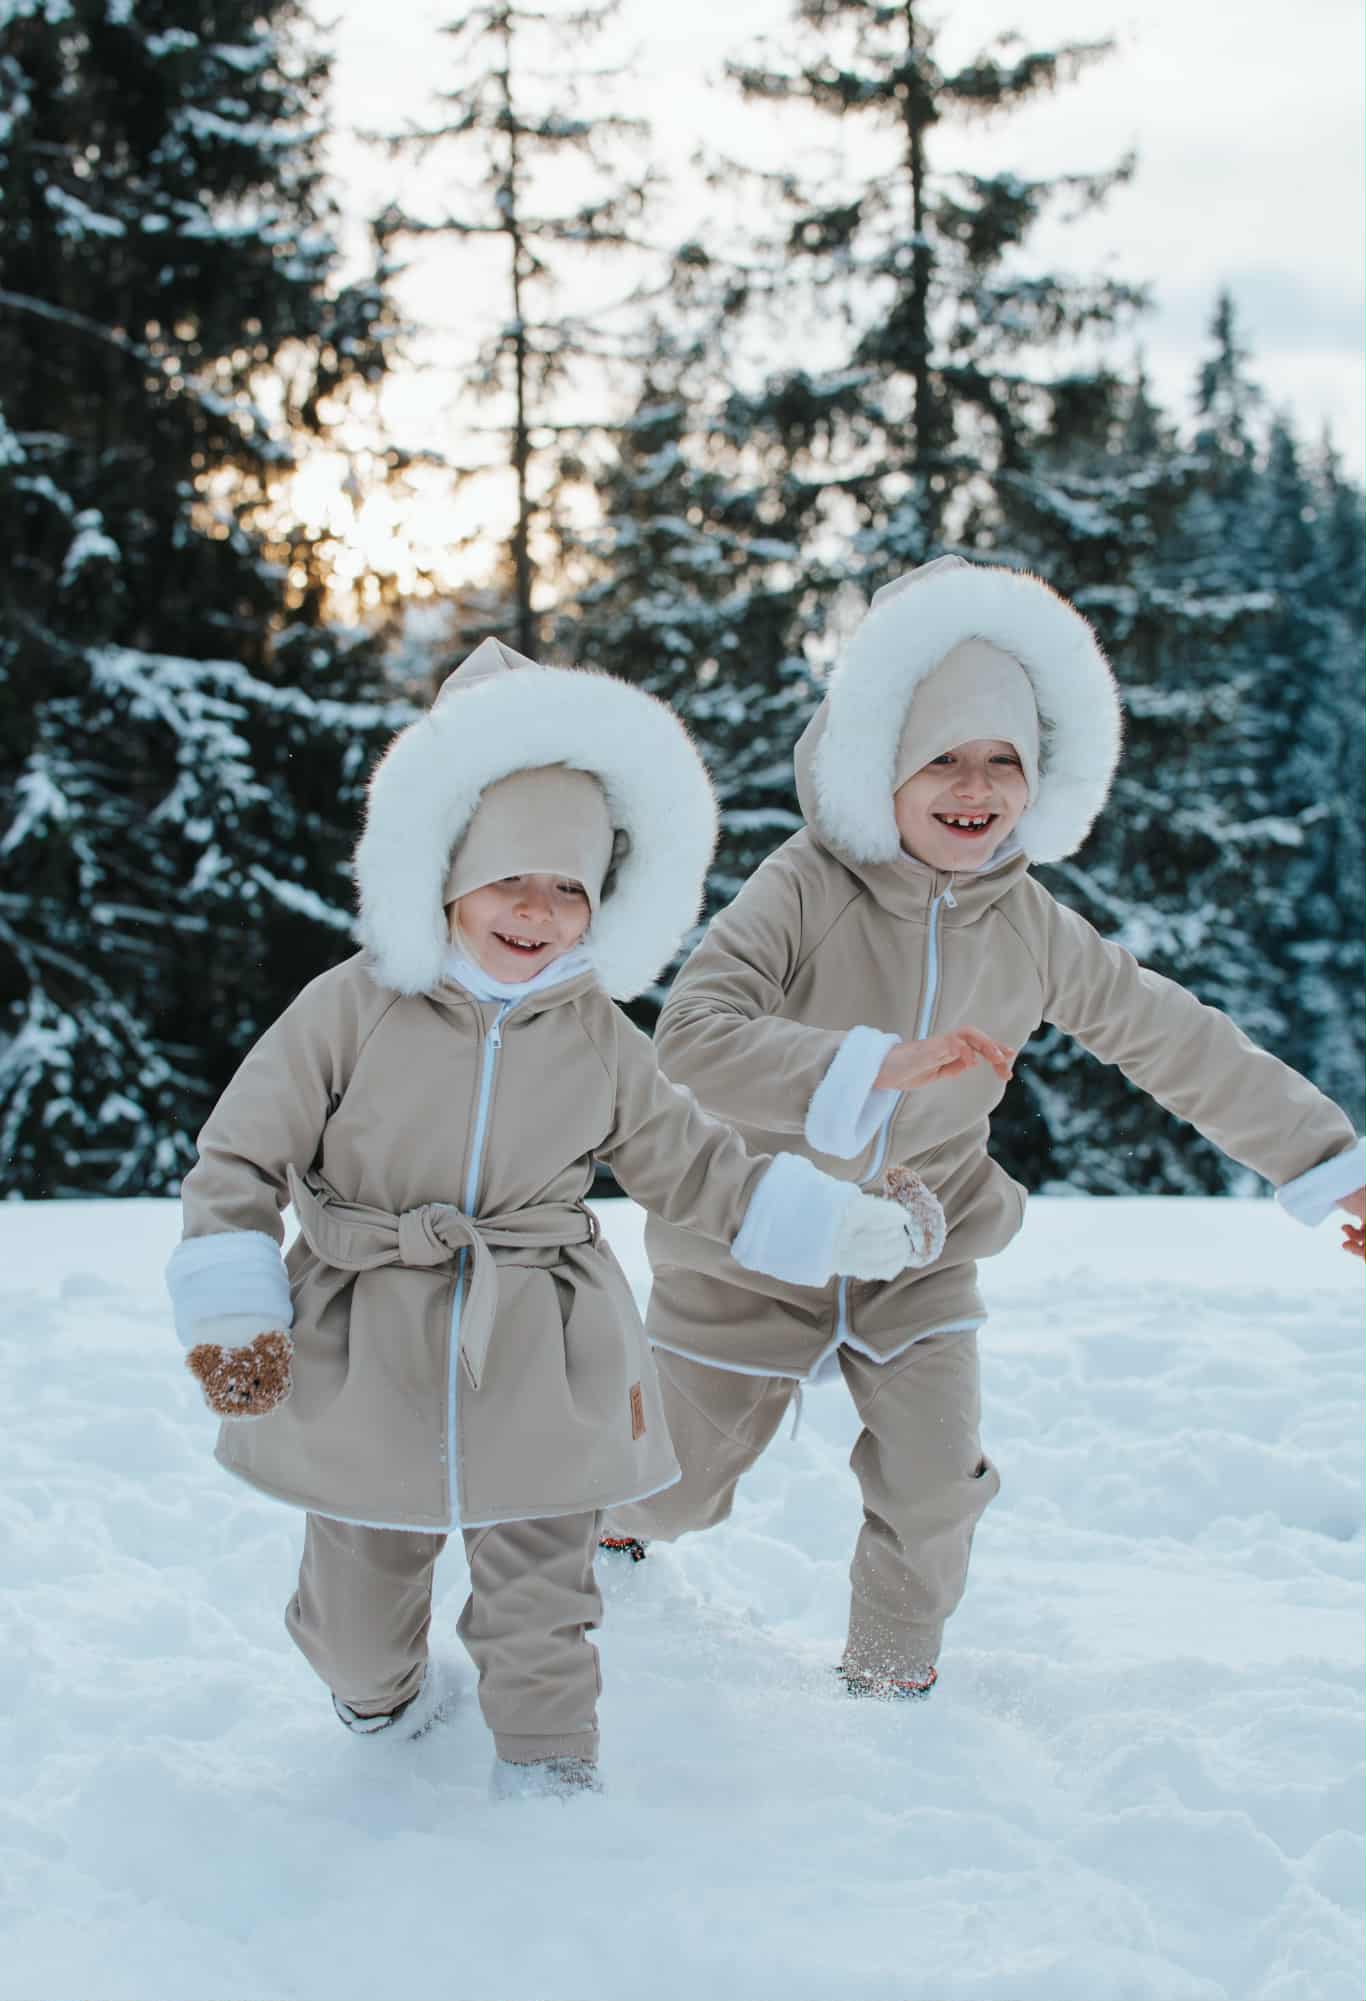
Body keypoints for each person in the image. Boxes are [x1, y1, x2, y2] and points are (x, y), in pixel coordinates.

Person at [164, 638, 942, 1798]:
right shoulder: (349, 1005)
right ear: (443, 879)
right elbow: (239, 1152)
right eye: (510, 881)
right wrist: (235, 1308)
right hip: (366, 1330)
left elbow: (697, 1167)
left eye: (569, 888)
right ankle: (378, 1699)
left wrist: (837, 1224)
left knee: (544, 1587)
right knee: (357, 1604)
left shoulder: (595, 1035)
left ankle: (548, 1786)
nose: (538, 911)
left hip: (541, 1337)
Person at [602, 556, 1365, 1699]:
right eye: (942, 759)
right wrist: (862, 1066)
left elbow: (1176, 1040)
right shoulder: (806, 884)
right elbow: (692, 1036)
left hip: (923, 1242)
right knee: (679, 1482)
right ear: (881, 770)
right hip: (758, 1238)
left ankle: (889, 1688)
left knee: (932, 1479)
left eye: (1001, 759)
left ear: (1038, 778)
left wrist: (1329, 1163)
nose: (974, 786)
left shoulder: (1031, 923)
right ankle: (600, 1537)